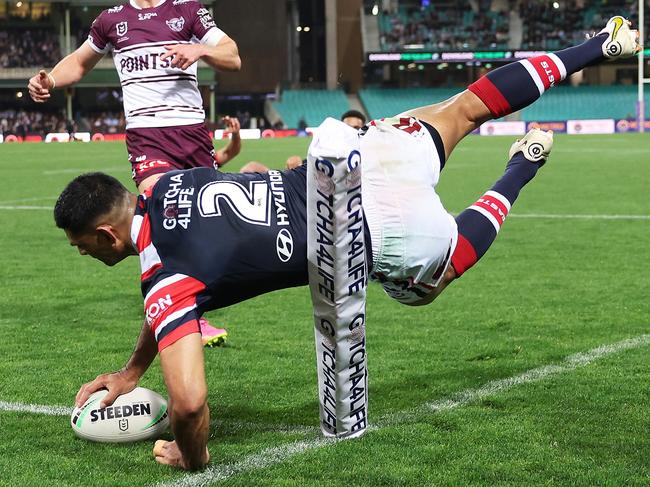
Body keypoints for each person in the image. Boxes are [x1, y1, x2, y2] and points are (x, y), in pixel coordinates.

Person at [55, 17, 639, 470]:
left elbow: (187, 404)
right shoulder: (166, 181)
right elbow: (246, 175)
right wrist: (133, 371)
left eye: (83, 246)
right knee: (465, 106)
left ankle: (520, 170)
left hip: (372, 232)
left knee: (432, 282)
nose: (85, 254)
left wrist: (194, 455)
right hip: (353, 162)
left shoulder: (164, 283)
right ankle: (596, 46)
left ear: (106, 234)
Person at [28, 0, 242, 347]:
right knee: (159, 220)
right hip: (147, 139)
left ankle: (193, 304)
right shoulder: (111, 19)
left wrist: (199, 49)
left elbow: (232, 56)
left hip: (192, 134)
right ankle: (180, 314)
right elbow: (80, 63)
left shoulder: (187, 10)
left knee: (203, 228)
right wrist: (50, 78)